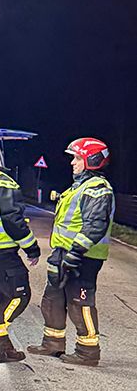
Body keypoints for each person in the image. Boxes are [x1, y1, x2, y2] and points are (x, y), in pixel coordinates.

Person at [27, 138, 115, 366]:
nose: (72, 163)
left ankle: (88, 352)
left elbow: (95, 225)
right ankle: (52, 343)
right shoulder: (80, 186)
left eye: (77, 158)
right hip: (64, 252)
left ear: (92, 160)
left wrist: (75, 254)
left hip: (83, 257)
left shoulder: (97, 190)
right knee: (53, 297)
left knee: (79, 302)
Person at [0, 137, 41, 363]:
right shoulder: (1, 180)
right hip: (1, 252)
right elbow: (13, 219)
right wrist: (31, 248)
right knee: (20, 295)